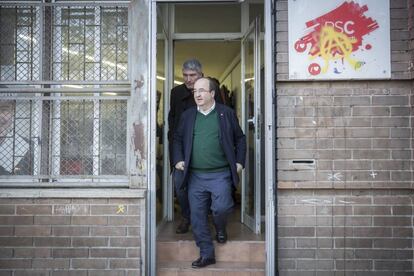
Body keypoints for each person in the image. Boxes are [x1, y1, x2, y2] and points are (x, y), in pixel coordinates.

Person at [172, 77, 246, 268]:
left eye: (202, 90)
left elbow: (240, 139)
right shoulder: (188, 115)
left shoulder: (226, 113)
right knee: (197, 217)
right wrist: (178, 159)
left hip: (220, 174)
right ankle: (207, 254)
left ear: (212, 94)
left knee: (221, 209)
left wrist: (239, 162)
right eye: (195, 91)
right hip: (195, 176)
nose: (197, 94)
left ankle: (220, 227)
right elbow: (178, 138)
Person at [168, 59, 222, 234]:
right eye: (185, 75)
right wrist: (175, 154)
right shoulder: (176, 92)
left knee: (207, 188)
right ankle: (187, 216)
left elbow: (221, 116)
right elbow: (172, 119)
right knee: (180, 186)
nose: (188, 79)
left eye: (193, 75)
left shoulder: (212, 89)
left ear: (201, 74)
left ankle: (205, 217)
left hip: (205, 148)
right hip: (181, 148)